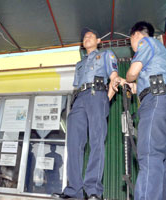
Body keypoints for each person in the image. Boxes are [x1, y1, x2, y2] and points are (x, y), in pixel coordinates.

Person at [53, 27, 124, 200]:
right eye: (85, 37)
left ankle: (93, 191)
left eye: (91, 36)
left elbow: (113, 76)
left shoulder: (107, 54)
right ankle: (73, 191)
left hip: (97, 95)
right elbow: (77, 85)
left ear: (99, 41)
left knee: (97, 141)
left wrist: (104, 100)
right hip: (79, 99)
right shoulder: (80, 64)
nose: (87, 38)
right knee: (74, 144)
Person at [125, 21, 166, 200]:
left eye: (131, 41)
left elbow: (133, 72)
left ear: (136, 35)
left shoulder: (146, 43)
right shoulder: (159, 52)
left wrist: (129, 76)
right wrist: (130, 85)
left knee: (149, 156)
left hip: (156, 103)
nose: (132, 46)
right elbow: (142, 83)